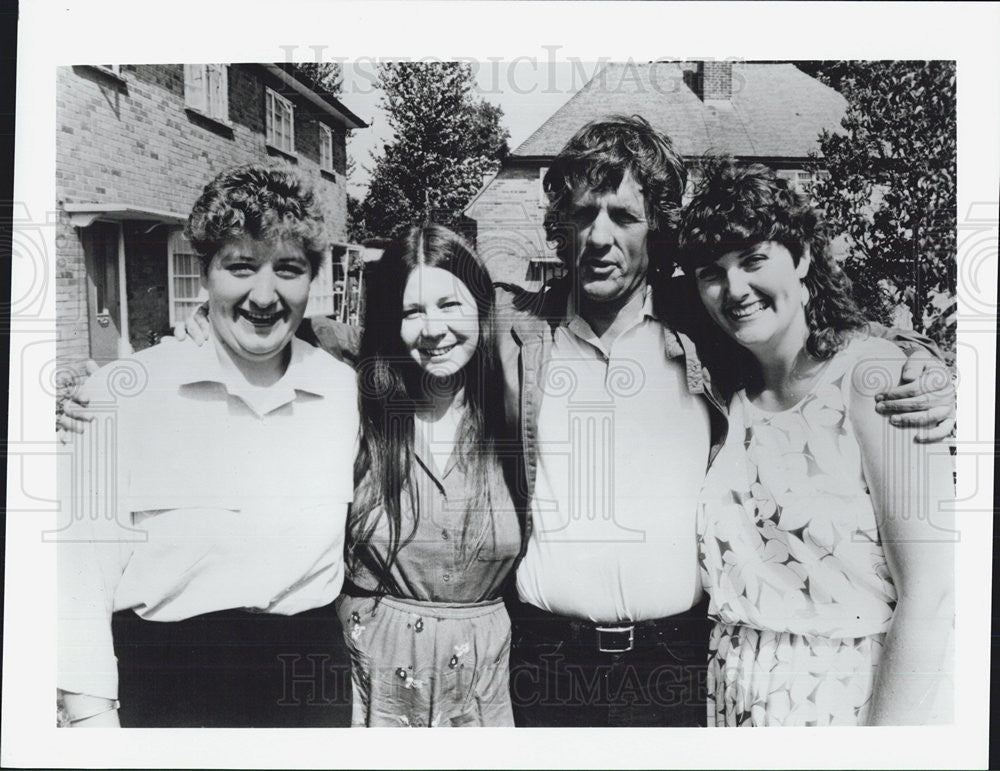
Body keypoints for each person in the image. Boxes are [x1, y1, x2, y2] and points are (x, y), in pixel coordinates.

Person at [498, 115, 955, 727]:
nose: (599, 236)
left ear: (655, 226)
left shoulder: (702, 324)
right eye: (582, 215)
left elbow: (824, 336)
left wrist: (924, 365)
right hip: (547, 659)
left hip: (677, 664)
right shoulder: (522, 337)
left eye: (624, 216)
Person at [56, 164, 358, 727]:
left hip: (309, 686)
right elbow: (77, 577)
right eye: (241, 266)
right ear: (206, 274)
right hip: (170, 687)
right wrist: (91, 720)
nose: (263, 295)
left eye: (287, 269)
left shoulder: (345, 392)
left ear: (312, 279)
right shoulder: (123, 397)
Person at [677, 159, 954, 726]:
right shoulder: (726, 391)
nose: (734, 289)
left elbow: (934, 595)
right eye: (712, 271)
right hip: (738, 693)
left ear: (802, 258)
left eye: (754, 259)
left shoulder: (872, 377)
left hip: (850, 698)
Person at [336, 224, 522, 727]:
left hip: (483, 687)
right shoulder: (354, 408)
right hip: (373, 683)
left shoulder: (518, 411)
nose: (433, 328)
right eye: (412, 310)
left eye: (449, 304)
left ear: (482, 309)